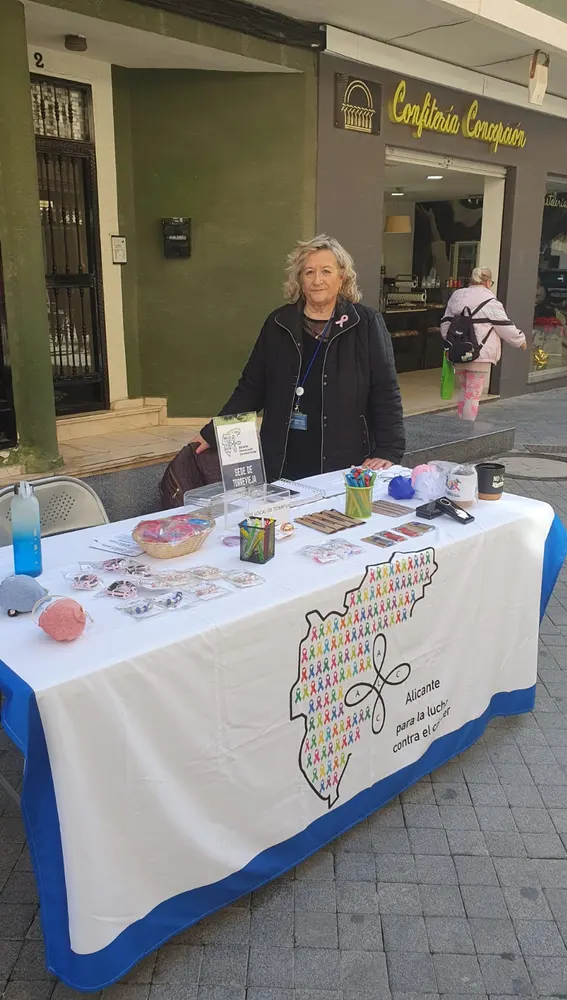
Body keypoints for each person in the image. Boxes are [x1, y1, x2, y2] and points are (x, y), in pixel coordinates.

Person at [194, 235, 405, 482]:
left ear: (342, 276)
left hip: (346, 457)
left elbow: (385, 390)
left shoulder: (366, 323)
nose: (317, 280)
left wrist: (389, 449)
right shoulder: (278, 323)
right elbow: (251, 388)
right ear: (299, 279)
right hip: (284, 455)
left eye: (326, 271)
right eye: (309, 272)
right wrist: (212, 433)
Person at [441, 265, 526, 422]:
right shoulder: (490, 301)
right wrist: (520, 340)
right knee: (472, 394)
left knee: (464, 389)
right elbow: (505, 327)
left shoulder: (457, 296)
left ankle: (459, 423)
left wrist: (451, 343)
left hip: (458, 352)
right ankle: (466, 428)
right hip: (479, 354)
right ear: (487, 282)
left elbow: (445, 323)